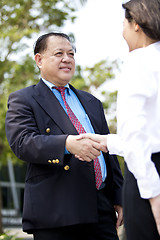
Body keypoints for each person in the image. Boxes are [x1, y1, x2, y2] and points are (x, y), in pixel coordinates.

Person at [5, 32, 123, 240]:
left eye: (71, 53)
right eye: (59, 53)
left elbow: (108, 152)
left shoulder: (92, 102)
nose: (67, 59)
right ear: (39, 60)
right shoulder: (24, 99)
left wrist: (119, 196)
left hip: (101, 209)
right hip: (56, 210)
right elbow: (22, 143)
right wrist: (66, 144)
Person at [77, 0, 160, 239]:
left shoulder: (139, 61)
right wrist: (107, 141)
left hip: (148, 176)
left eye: (123, 23)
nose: (122, 30)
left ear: (136, 24)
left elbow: (137, 138)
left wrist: (153, 196)